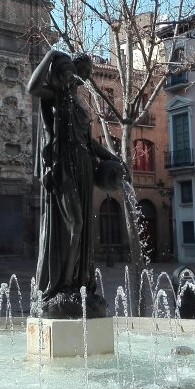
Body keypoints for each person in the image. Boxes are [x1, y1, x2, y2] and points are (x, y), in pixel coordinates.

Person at [28, 48, 124, 319]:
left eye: (83, 75)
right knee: (75, 223)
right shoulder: (53, 98)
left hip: (82, 165)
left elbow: (90, 143)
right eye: (73, 72)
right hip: (63, 168)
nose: (79, 79)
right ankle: (61, 285)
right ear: (61, 73)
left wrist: (113, 156)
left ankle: (78, 283)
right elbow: (31, 86)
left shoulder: (78, 105)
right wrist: (48, 55)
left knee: (82, 230)